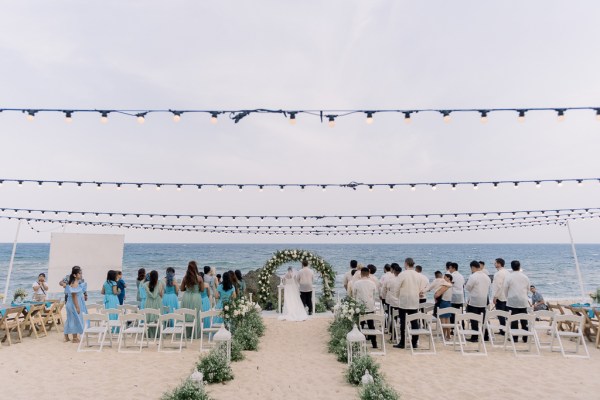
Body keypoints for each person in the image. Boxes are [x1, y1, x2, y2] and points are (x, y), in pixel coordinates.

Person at [393, 258, 420, 349]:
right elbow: (420, 287)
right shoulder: (418, 274)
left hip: (404, 301)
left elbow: (397, 287)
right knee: (414, 322)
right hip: (414, 300)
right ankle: (414, 342)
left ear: (406, 263)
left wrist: (397, 297)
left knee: (403, 323)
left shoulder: (403, 274)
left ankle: (402, 342)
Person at [503, 260, 531, 343]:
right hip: (523, 300)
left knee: (513, 319)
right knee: (524, 319)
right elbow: (528, 288)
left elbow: (505, 289)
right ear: (519, 266)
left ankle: (514, 338)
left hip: (512, 300)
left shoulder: (509, 277)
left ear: (511, 267)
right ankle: (525, 337)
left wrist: (508, 296)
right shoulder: (525, 277)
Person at [464, 260, 491, 342]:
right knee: (483, 319)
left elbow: (468, 288)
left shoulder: (473, 276)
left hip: (474, 301)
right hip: (484, 300)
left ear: (473, 267)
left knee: (474, 319)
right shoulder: (486, 276)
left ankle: (475, 337)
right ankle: (486, 335)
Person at [352, 267, 378, 348]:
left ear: (361, 274)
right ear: (368, 274)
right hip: (370, 306)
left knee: (360, 324)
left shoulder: (356, 283)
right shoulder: (372, 283)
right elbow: (375, 295)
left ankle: (359, 342)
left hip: (360, 307)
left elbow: (354, 295)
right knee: (371, 325)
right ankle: (374, 343)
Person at [180, 261, 203, 338]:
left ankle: (187, 334)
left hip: (186, 297)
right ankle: (195, 334)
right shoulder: (199, 278)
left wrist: (188, 288)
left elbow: (182, 289)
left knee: (186, 314)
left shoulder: (185, 278)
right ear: (196, 268)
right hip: (196, 297)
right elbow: (202, 289)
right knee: (196, 315)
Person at [64, 266, 86, 343]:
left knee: (70, 319)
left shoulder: (73, 282)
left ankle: (66, 336)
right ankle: (74, 338)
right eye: (79, 273)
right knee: (75, 319)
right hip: (73, 303)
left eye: (81, 273)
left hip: (70, 302)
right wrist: (77, 307)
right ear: (74, 275)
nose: (81, 275)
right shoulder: (75, 283)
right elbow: (74, 296)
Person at [382, 263, 401, 341]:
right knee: (401, 318)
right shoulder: (402, 280)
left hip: (393, 301)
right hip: (402, 302)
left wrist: (384, 298)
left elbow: (384, 289)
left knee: (393, 318)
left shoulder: (390, 280)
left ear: (393, 270)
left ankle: (393, 334)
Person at [144, 270, 164, 337]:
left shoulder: (147, 284)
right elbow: (161, 294)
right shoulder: (160, 283)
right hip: (157, 301)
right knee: (157, 317)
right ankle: (158, 334)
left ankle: (149, 334)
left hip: (149, 302)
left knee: (149, 317)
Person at [492, 258, 509, 335]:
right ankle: (505, 329)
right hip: (507, 296)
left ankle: (503, 330)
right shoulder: (507, 272)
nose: (494, 264)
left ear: (499, 264)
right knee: (506, 314)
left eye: (495, 263)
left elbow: (498, 286)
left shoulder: (498, 274)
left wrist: (495, 296)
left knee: (500, 314)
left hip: (500, 297)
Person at [435, 274, 453, 341]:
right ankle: (448, 335)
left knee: (443, 320)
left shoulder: (446, 286)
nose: (443, 279)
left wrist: (436, 294)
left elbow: (437, 295)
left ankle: (443, 335)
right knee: (447, 320)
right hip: (449, 302)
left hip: (444, 302)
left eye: (445, 277)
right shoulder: (451, 285)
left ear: (448, 278)